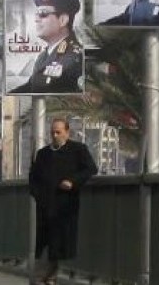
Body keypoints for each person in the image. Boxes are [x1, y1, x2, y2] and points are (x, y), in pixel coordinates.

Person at [29, 119, 97, 285]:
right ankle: (44, 277)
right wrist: (37, 195)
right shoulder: (43, 153)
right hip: (45, 206)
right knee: (43, 243)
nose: (55, 135)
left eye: (58, 132)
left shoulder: (78, 150)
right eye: (52, 132)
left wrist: (73, 181)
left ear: (67, 132)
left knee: (58, 243)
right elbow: (34, 177)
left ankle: (47, 276)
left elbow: (90, 168)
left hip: (65, 206)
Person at [13, 0, 84, 94]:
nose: (36, 19)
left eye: (43, 14)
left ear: (63, 20)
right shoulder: (43, 56)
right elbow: (31, 86)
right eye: (36, 14)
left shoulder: (76, 57)